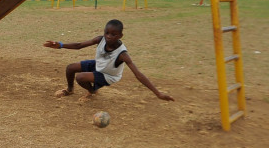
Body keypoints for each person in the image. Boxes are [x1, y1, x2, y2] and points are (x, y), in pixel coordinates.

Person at [44, 19, 175, 102]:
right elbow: (79, 45)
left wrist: (158, 93)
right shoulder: (99, 39)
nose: (108, 36)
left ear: (120, 36)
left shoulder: (122, 54)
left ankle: (91, 91)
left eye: (113, 34)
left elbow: (138, 74)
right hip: (99, 65)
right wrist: (60, 45)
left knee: (81, 77)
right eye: (107, 33)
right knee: (70, 68)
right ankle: (70, 89)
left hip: (109, 75)